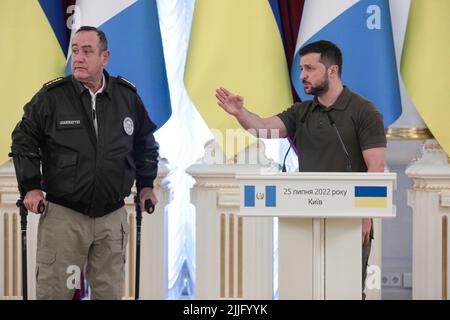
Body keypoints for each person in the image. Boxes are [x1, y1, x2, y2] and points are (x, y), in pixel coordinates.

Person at [215, 40, 386, 299]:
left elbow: (376, 166)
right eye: (301, 69)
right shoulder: (301, 112)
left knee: (347, 290)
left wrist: (366, 215)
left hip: (349, 220)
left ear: (332, 71)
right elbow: (262, 128)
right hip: (304, 217)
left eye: (309, 68)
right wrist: (240, 113)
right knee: (303, 289)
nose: (302, 76)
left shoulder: (364, 111)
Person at [10, 26, 159, 299]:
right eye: (75, 50)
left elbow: (145, 143)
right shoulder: (52, 98)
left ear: (105, 57)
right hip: (64, 218)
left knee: (109, 294)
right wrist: (31, 186)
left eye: (87, 51)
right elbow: (23, 139)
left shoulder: (127, 98)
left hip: (112, 218)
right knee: (56, 293)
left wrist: (147, 185)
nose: (78, 57)